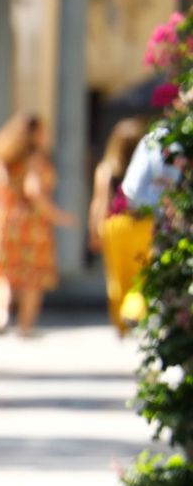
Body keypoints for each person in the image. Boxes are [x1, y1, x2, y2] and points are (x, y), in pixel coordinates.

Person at [0, 113, 73, 337]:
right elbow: (33, 191)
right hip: (33, 224)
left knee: (5, 272)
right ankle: (25, 325)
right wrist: (57, 215)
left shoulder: (0, 157)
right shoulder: (35, 159)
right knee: (32, 276)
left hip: (6, 218)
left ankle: (0, 314)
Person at [91, 117, 152, 335]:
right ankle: (135, 312)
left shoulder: (106, 170)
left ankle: (121, 323)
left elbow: (100, 202)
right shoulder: (148, 169)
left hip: (115, 226)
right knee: (143, 276)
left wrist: (94, 231)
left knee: (117, 279)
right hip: (144, 225)